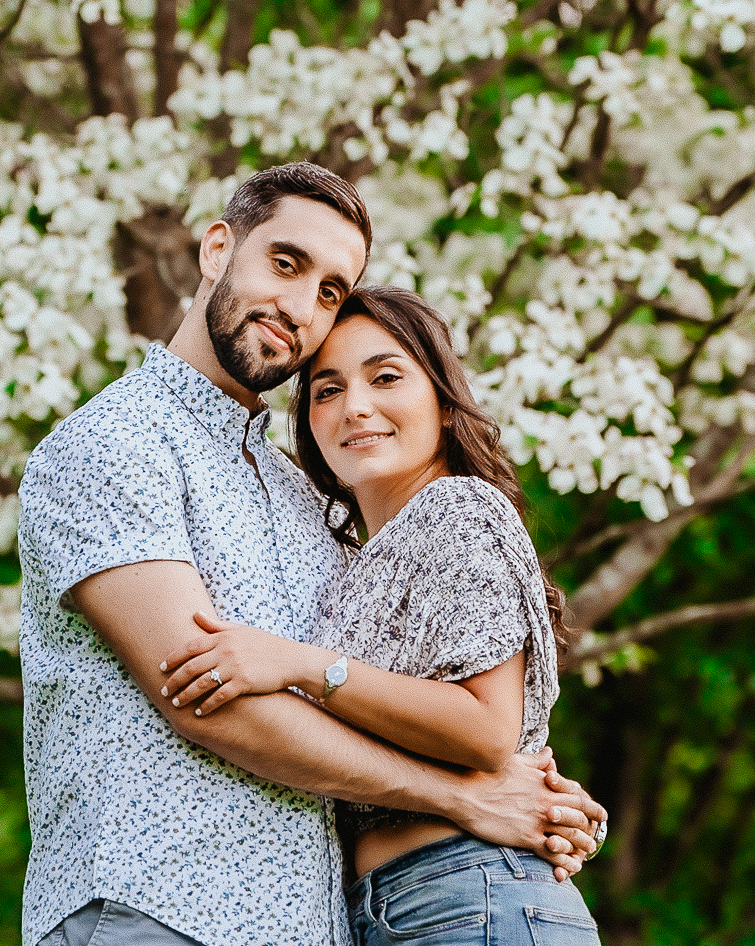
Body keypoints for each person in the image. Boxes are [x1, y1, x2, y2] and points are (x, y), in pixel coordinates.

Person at [17, 163, 606, 946]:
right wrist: (462, 797)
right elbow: (206, 699)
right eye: (285, 264)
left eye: (330, 291)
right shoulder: (116, 442)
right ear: (217, 249)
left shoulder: (303, 498)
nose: (300, 306)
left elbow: (402, 695)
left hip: (316, 924)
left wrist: (526, 788)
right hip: (153, 906)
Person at [160, 285, 604, 944]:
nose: (355, 407)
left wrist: (301, 666)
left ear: (444, 403)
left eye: (385, 377)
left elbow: (485, 730)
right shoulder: (359, 556)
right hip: (404, 904)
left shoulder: (457, 508)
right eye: (327, 390)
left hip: (469, 893)